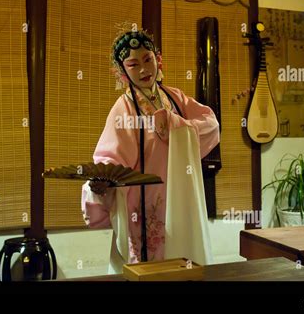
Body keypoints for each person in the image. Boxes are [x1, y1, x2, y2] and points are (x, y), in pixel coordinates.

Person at [81, 28, 220, 273]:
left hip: (181, 194)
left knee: (184, 266)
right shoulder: (124, 109)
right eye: (134, 64)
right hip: (143, 203)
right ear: (122, 72)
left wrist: (177, 125)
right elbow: (109, 159)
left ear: (158, 58)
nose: (144, 69)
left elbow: (211, 124)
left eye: (148, 59)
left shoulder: (175, 98)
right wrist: (101, 182)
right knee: (149, 268)